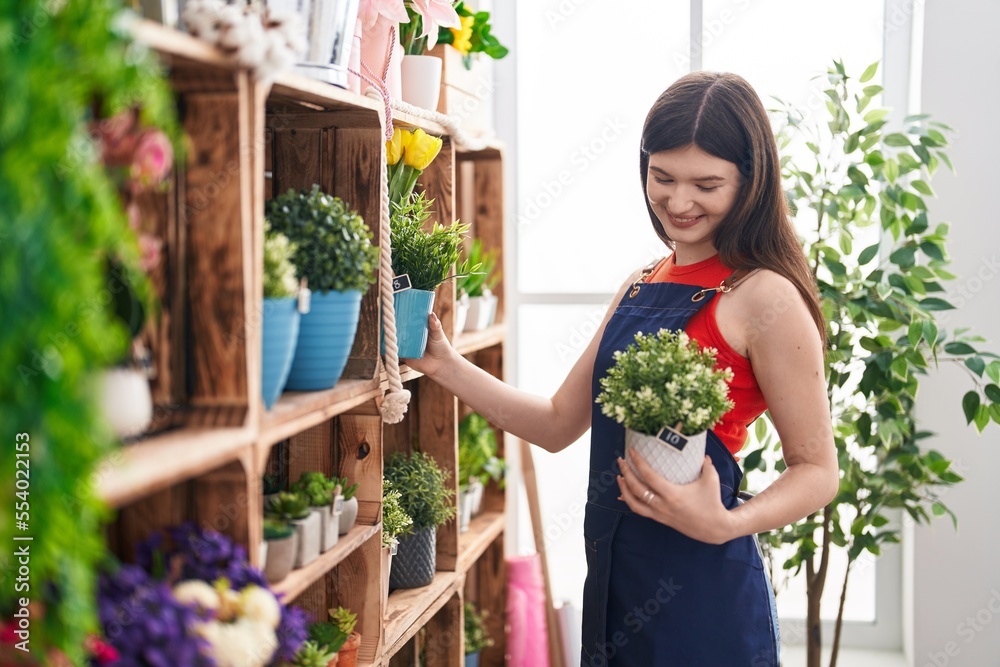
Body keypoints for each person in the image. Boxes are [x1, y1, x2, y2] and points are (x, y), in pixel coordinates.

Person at [406, 71, 839, 666]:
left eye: (706, 184)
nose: (678, 202)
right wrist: (444, 363)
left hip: (702, 587)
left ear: (750, 181)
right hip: (614, 578)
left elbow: (817, 470)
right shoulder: (639, 285)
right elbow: (558, 424)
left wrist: (727, 523)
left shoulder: (764, 297)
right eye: (662, 177)